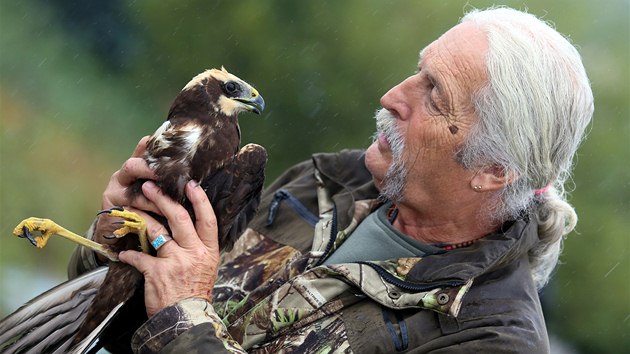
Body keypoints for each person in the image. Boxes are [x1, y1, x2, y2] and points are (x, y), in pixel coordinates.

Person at [69, 6, 593, 353]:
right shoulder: (325, 183)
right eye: (418, 70)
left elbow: (176, 310)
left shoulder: (486, 336)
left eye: (435, 95)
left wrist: (185, 322)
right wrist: (119, 246)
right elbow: (124, 312)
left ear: (493, 170)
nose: (392, 96)